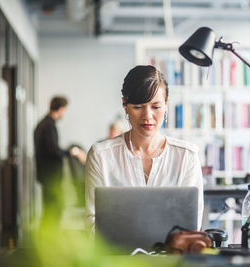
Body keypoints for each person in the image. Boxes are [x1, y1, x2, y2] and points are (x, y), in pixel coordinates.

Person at [85, 65, 204, 233]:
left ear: (166, 104)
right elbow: (93, 224)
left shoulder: (186, 156)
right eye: (138, 107)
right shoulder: (101, 156)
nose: (147, 116)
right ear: (125, 104)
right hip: (118, 258)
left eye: (156, 107)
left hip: (172, 258)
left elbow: (191, 226)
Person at [34, 96, 70, 224]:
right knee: (54, 210)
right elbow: (53, 150)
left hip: (45, 175)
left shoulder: (42, 124)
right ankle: (49, 242)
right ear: (60, 109)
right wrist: (70, 152)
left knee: (49, 210)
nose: (64, 113)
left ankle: (46, 240)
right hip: (51, 177)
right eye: (64, 109)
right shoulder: (49, 126)